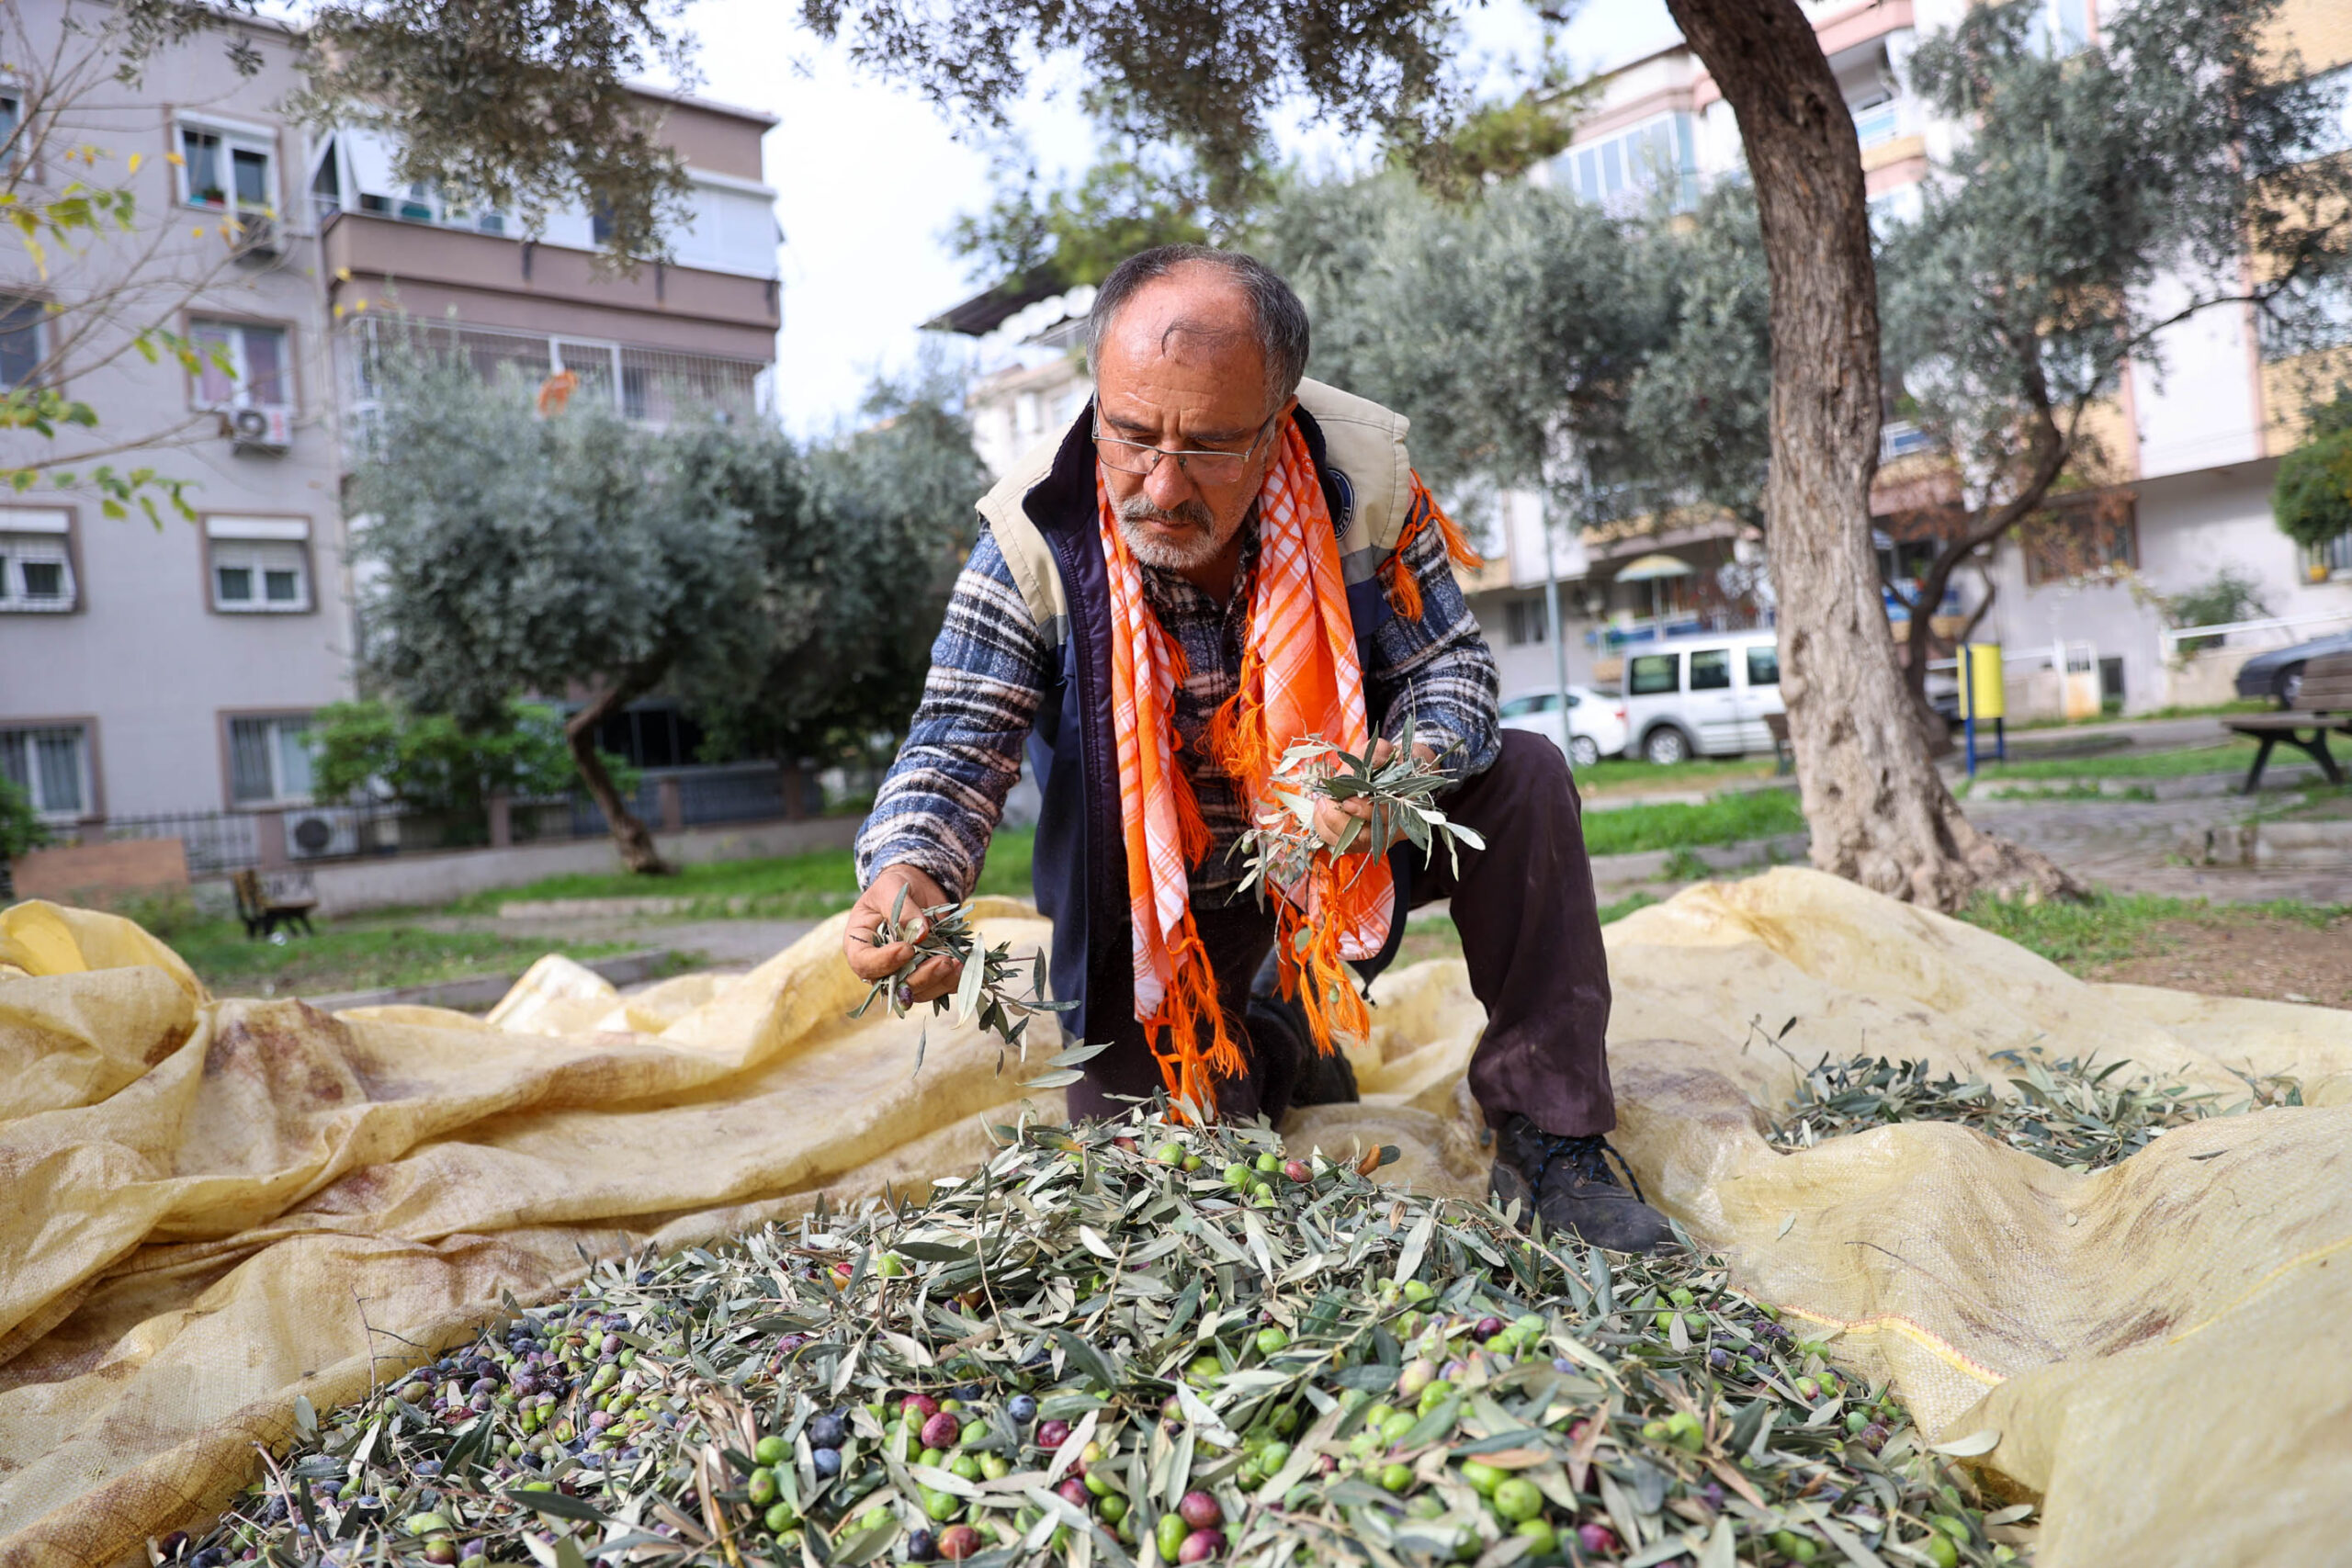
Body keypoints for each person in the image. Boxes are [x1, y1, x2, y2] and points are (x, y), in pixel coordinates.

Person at [844, 245, 1670, 1253]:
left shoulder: (1364, 481)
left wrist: (1388, 781)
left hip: (1344, 847)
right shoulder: (1032, 535)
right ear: (1098, 400)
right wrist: (910, 875)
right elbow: (955, 742)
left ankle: (1552, 1135)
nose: (1161, 486)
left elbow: (1451, 672)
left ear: (1277, 422)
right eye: (1131, 435)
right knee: (1170, 1178)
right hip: (1156, 905)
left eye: (1209, 448)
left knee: (1526, 775)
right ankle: (1281, 1034)